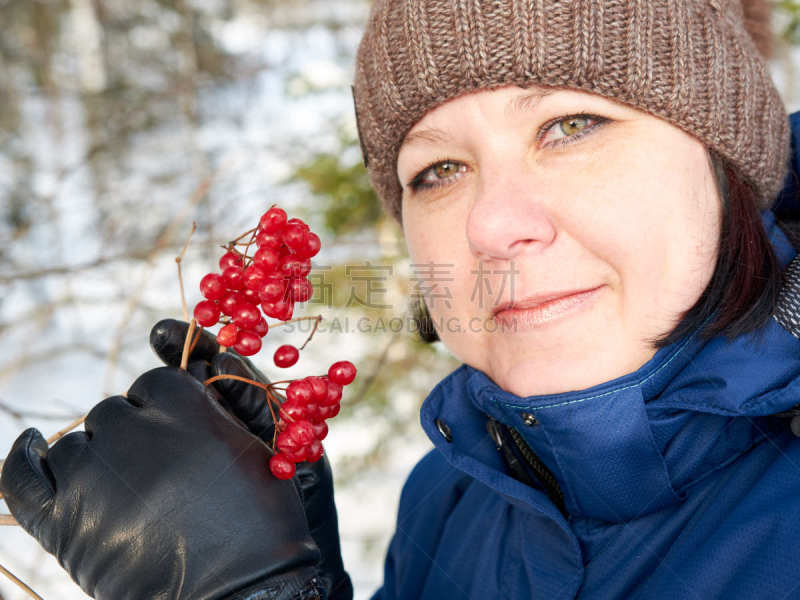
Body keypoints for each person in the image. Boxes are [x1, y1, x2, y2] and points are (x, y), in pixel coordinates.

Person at [4, 0, 800, 598]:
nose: (491, 225)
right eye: (438, 171)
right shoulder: (457, 490)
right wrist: (297, 576)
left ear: (730, 164)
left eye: (572, 125)